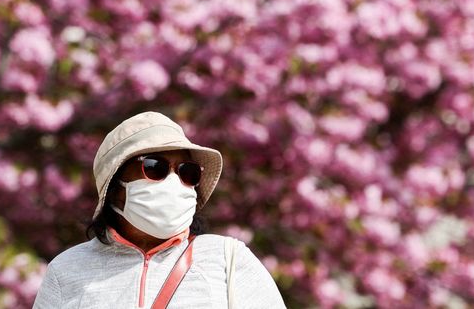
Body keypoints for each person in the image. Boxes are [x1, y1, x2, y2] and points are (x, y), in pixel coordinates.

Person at [32, 111, 286, 308]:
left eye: (188, 172)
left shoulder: (228, 259)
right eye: (155, 167)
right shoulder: (66, 270)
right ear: (115, 184)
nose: (174, 181)